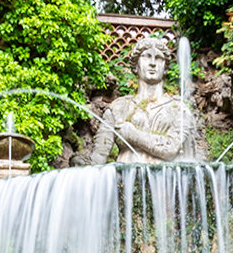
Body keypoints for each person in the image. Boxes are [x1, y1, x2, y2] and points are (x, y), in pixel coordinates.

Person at [75, 35, 208, 165]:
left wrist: (131, 133)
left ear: (166, 67)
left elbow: (170, 149)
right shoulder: (118, 108)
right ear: (136, 65)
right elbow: (98, 158)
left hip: (164, 183)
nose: (152, 63)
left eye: (159, 58)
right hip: (125, 183)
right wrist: (82, 164)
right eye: (146, 57)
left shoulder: (179, 109)